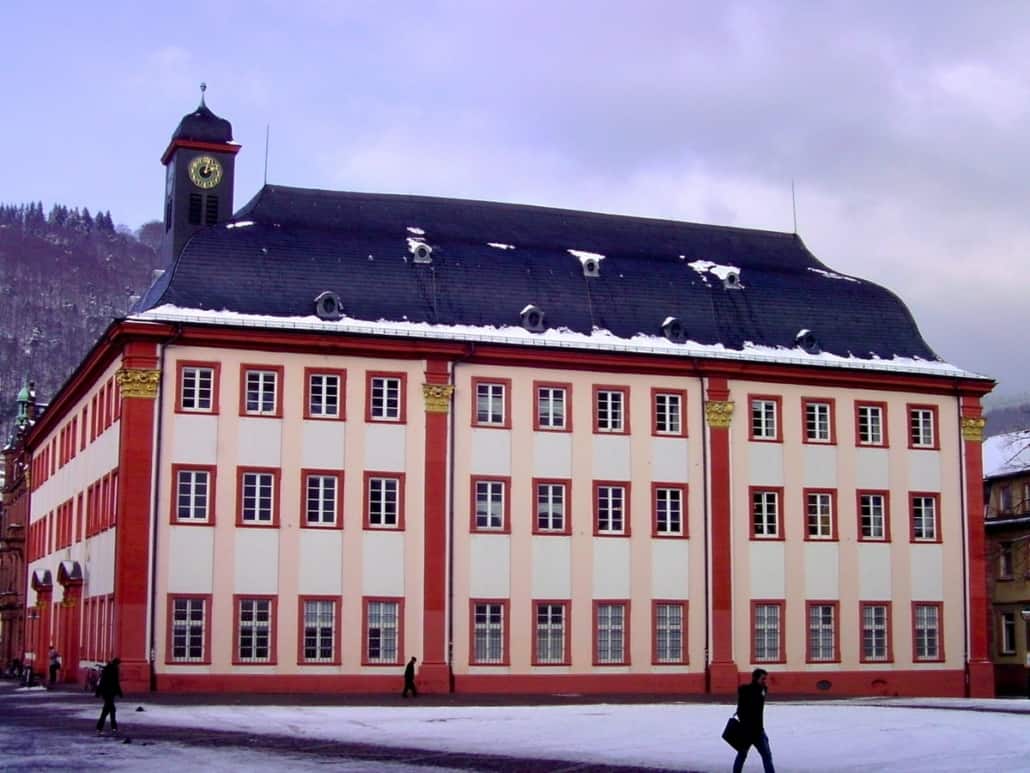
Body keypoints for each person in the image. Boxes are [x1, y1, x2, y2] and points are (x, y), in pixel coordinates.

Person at [733, 668, 775, 773]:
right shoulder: (752, 691)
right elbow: (741, 710)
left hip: (756, 730)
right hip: (750, 731)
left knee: (764, 756)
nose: (765, 681)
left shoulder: (760, 690)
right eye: (763, 679)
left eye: (766, 679)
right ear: (756, 678)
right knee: (745, 755)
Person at [95, 658, 123, 735]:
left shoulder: (107, 669)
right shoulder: (114, 670)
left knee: (108, 710)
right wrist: (120, 693)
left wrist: (98, 692)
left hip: (105, 693)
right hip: (110, 693)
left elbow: (101, 681)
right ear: (117, 664)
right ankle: (110, 727)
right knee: (110, 710)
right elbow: (116, 682)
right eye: (119, 664)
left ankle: (104, 728)